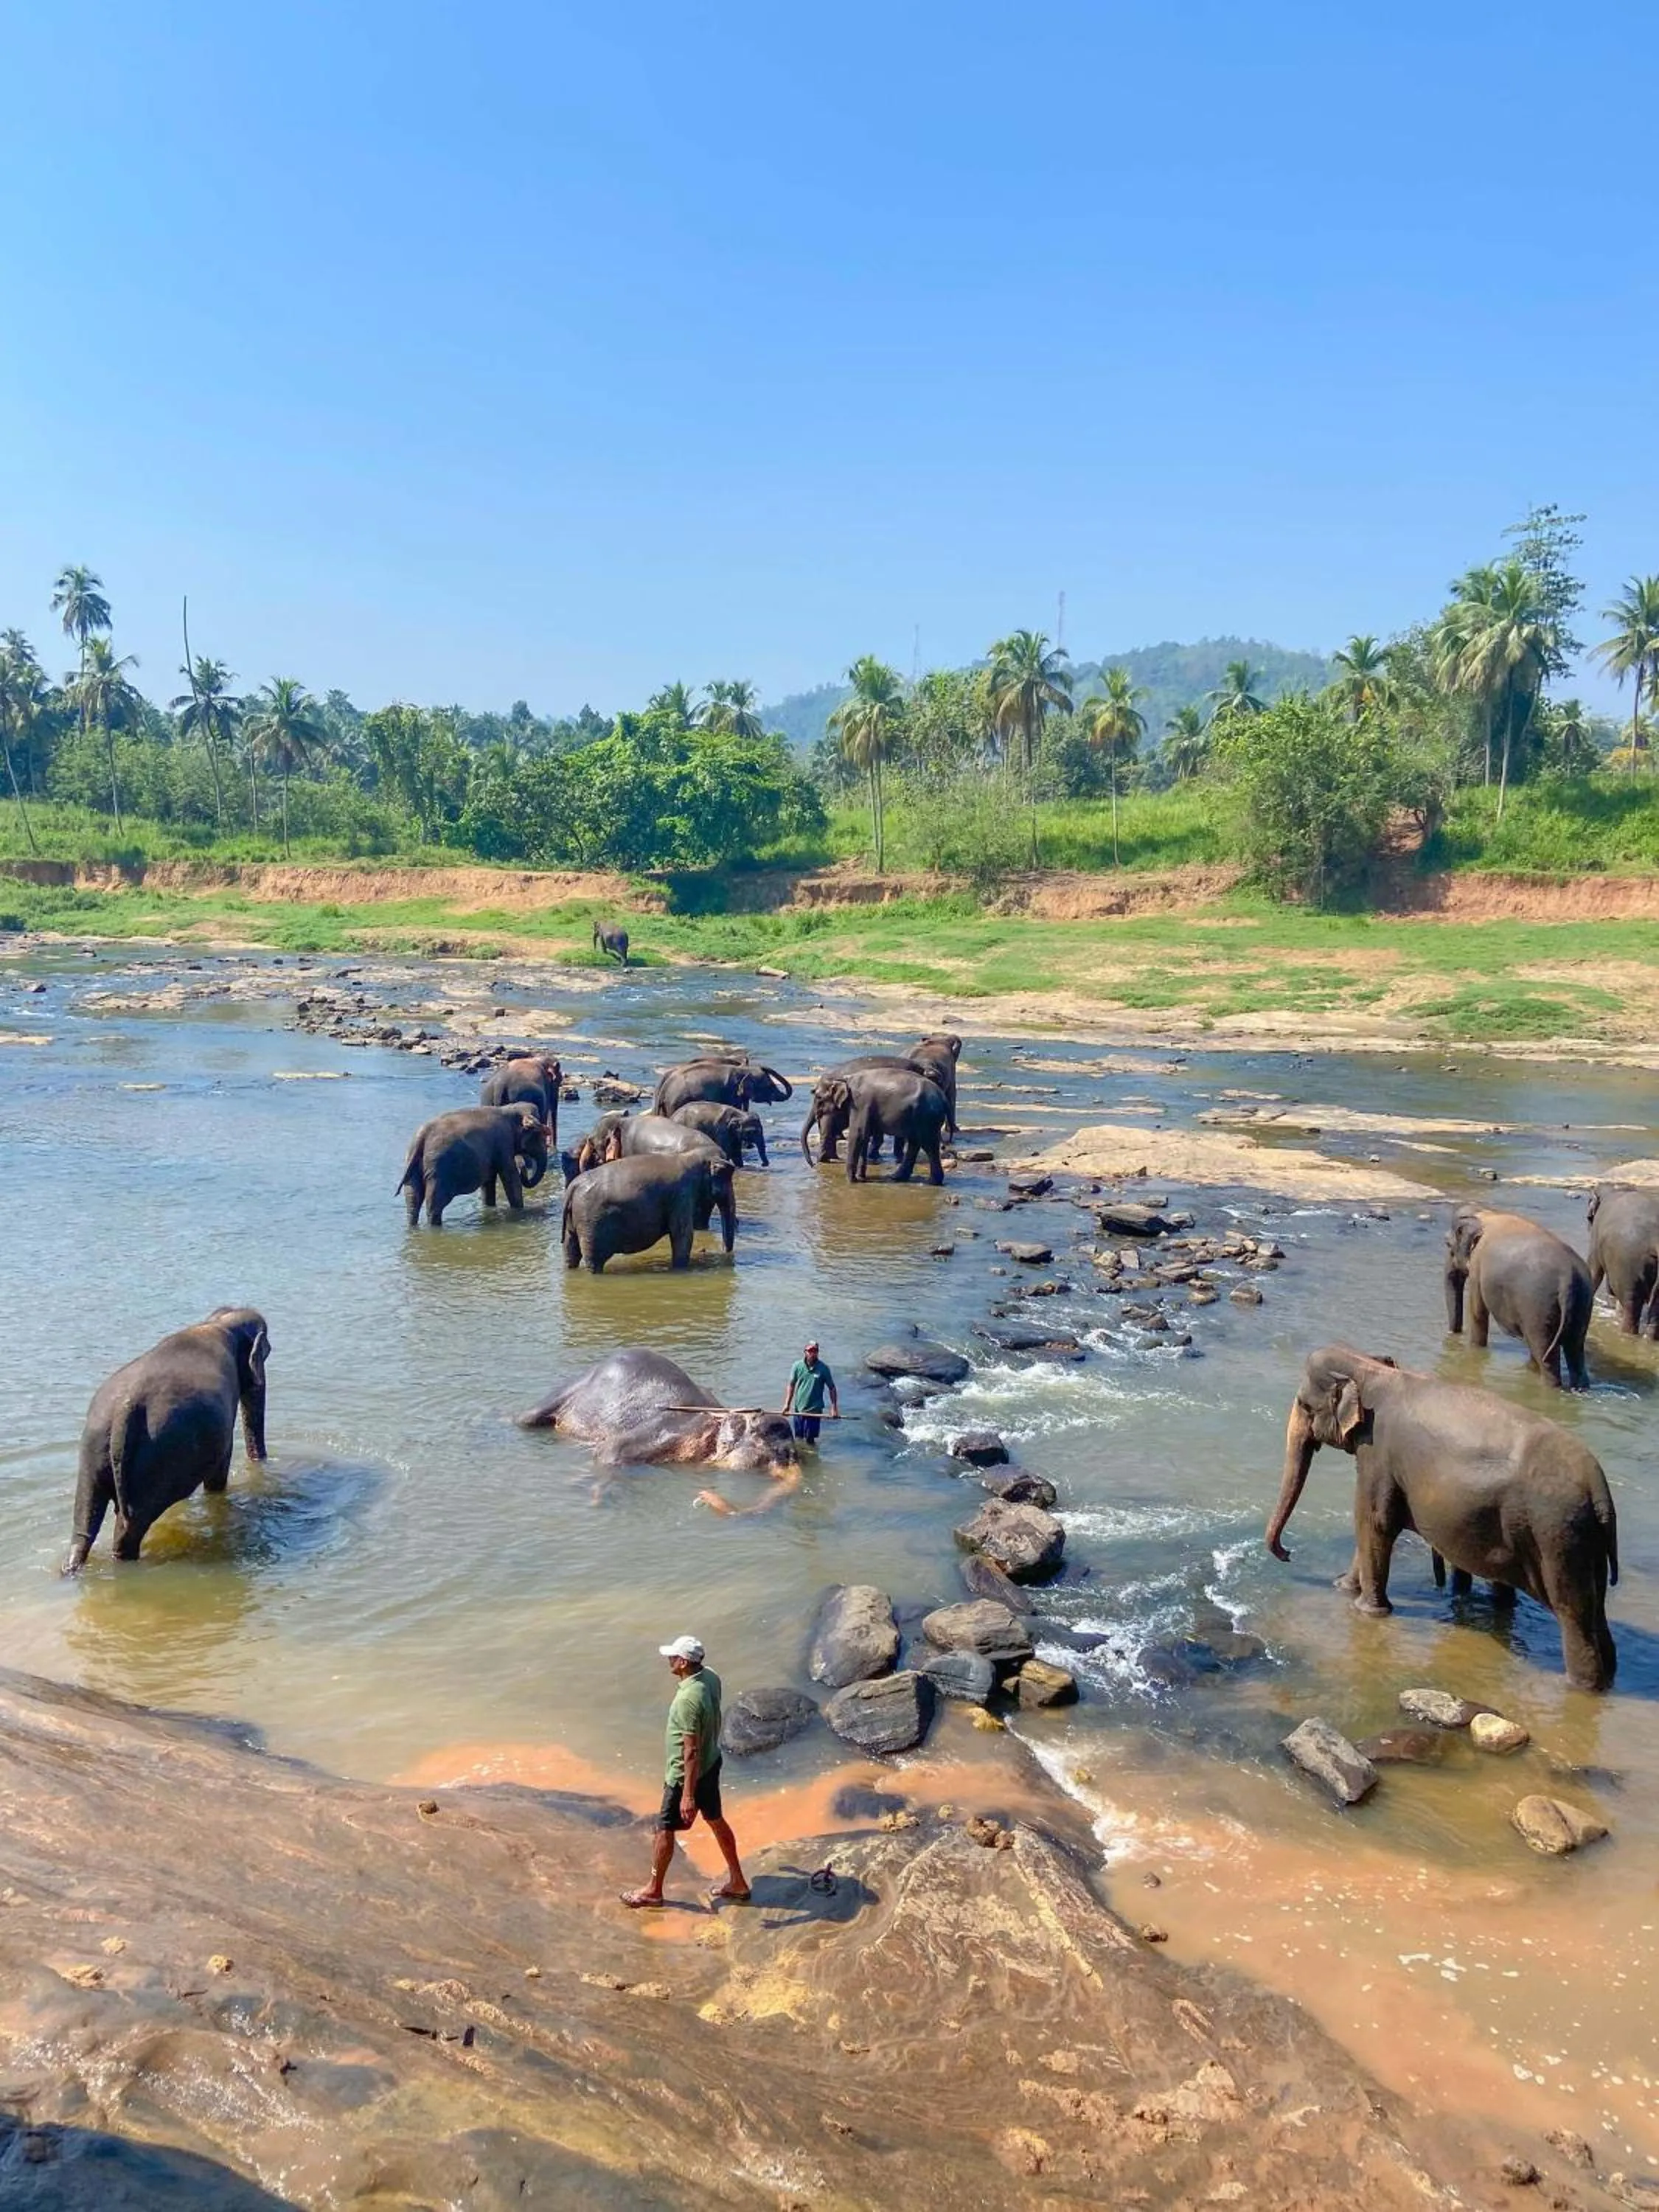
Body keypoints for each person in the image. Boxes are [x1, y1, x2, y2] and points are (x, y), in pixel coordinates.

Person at [622, 1635, 750, 1909]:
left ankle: (653, 1890)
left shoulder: (687, 1701)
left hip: (684, 1776)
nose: (668, 1660)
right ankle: (737, 1881)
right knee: (716, 1820)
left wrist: (687, 1796)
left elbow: (690, 1751)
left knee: (664, 1830)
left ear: (682, 1662)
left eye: (672, 1657)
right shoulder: (711, 1677)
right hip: (711, 1763)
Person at [782, 1340, 838, 1445]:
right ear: (805, 1352)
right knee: (798, 1439)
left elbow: (832, 1388)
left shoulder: (824, 1369)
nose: (812, 1353)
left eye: (815, 1351)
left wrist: (834, 1408)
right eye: (810, 1351)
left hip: (814, 1411)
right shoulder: (797, 1366)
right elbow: (791, 1385)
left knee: (810, 1441)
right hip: (799, 1409)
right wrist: (787, 1405)